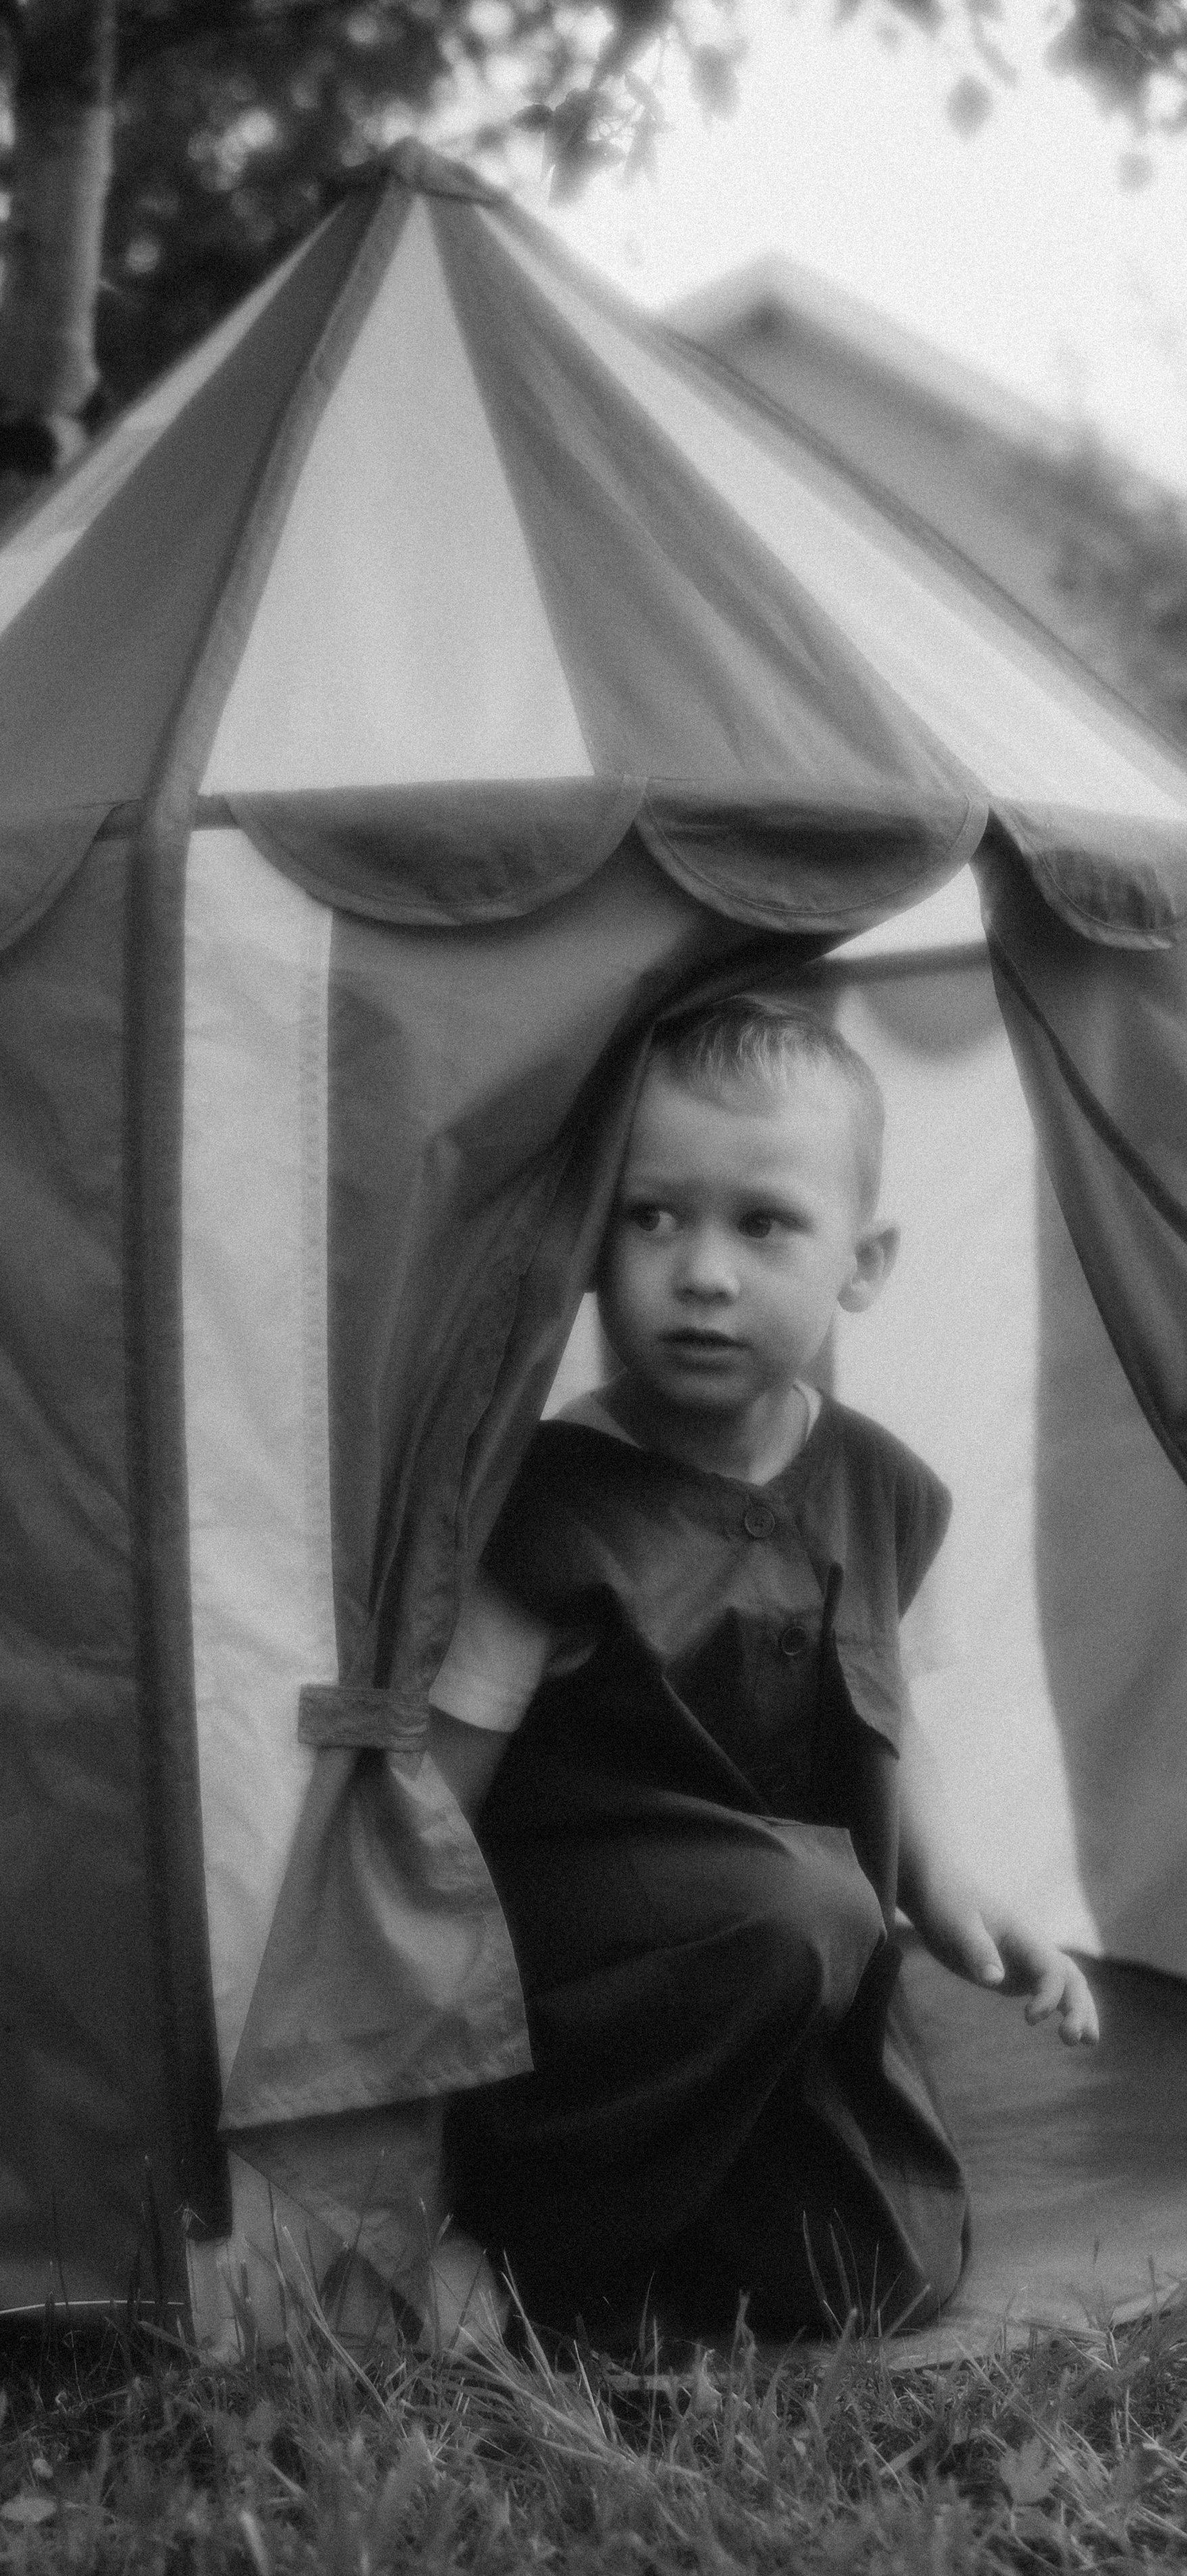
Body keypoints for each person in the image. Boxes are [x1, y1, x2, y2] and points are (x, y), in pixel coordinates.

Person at [429, 996, 1099, 2341]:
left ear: (863, 1259)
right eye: (651, 1216)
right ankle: (502, 2233)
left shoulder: (878, 1491)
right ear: (586, 1242)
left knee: (881, 2270)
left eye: (762, 1223)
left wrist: (950, 1889)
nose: (702, 1273)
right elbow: (433, 1809)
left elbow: (882, 1711)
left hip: (789, 1968)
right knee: (798, 1907)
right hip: (575, 1977)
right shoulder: (546, 1505)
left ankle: (657, 2243)